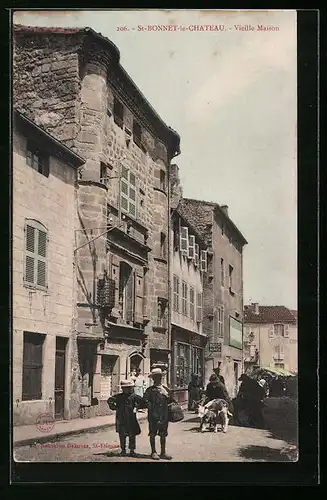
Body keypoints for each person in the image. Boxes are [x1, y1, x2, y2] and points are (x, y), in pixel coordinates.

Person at [143, 367, 175, 461]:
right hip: (153, 415)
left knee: (163, 434)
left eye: (159, 377)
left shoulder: (166, 389)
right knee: (152, 433)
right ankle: (153, 452)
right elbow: (145, 401)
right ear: (153, 379)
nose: (158, 379)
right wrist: (151, 409)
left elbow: (171, 401)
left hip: (164, 415)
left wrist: (168, 397)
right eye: (156, 377)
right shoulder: (150, 390)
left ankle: (163, 452)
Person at [107, 379, 143, 457]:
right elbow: (110, 400)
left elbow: (142, 401)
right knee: (122, 434)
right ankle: (123, 450)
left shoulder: (134, 396)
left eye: (128, 388)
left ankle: (132, 450)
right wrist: (115, 407)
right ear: (122, 389)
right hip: (121, 417)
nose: (126, 389)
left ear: (130, 388)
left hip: (131, 418)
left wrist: (137, 407)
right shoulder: (119, 396)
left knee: (132, 434)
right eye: (124, 388)